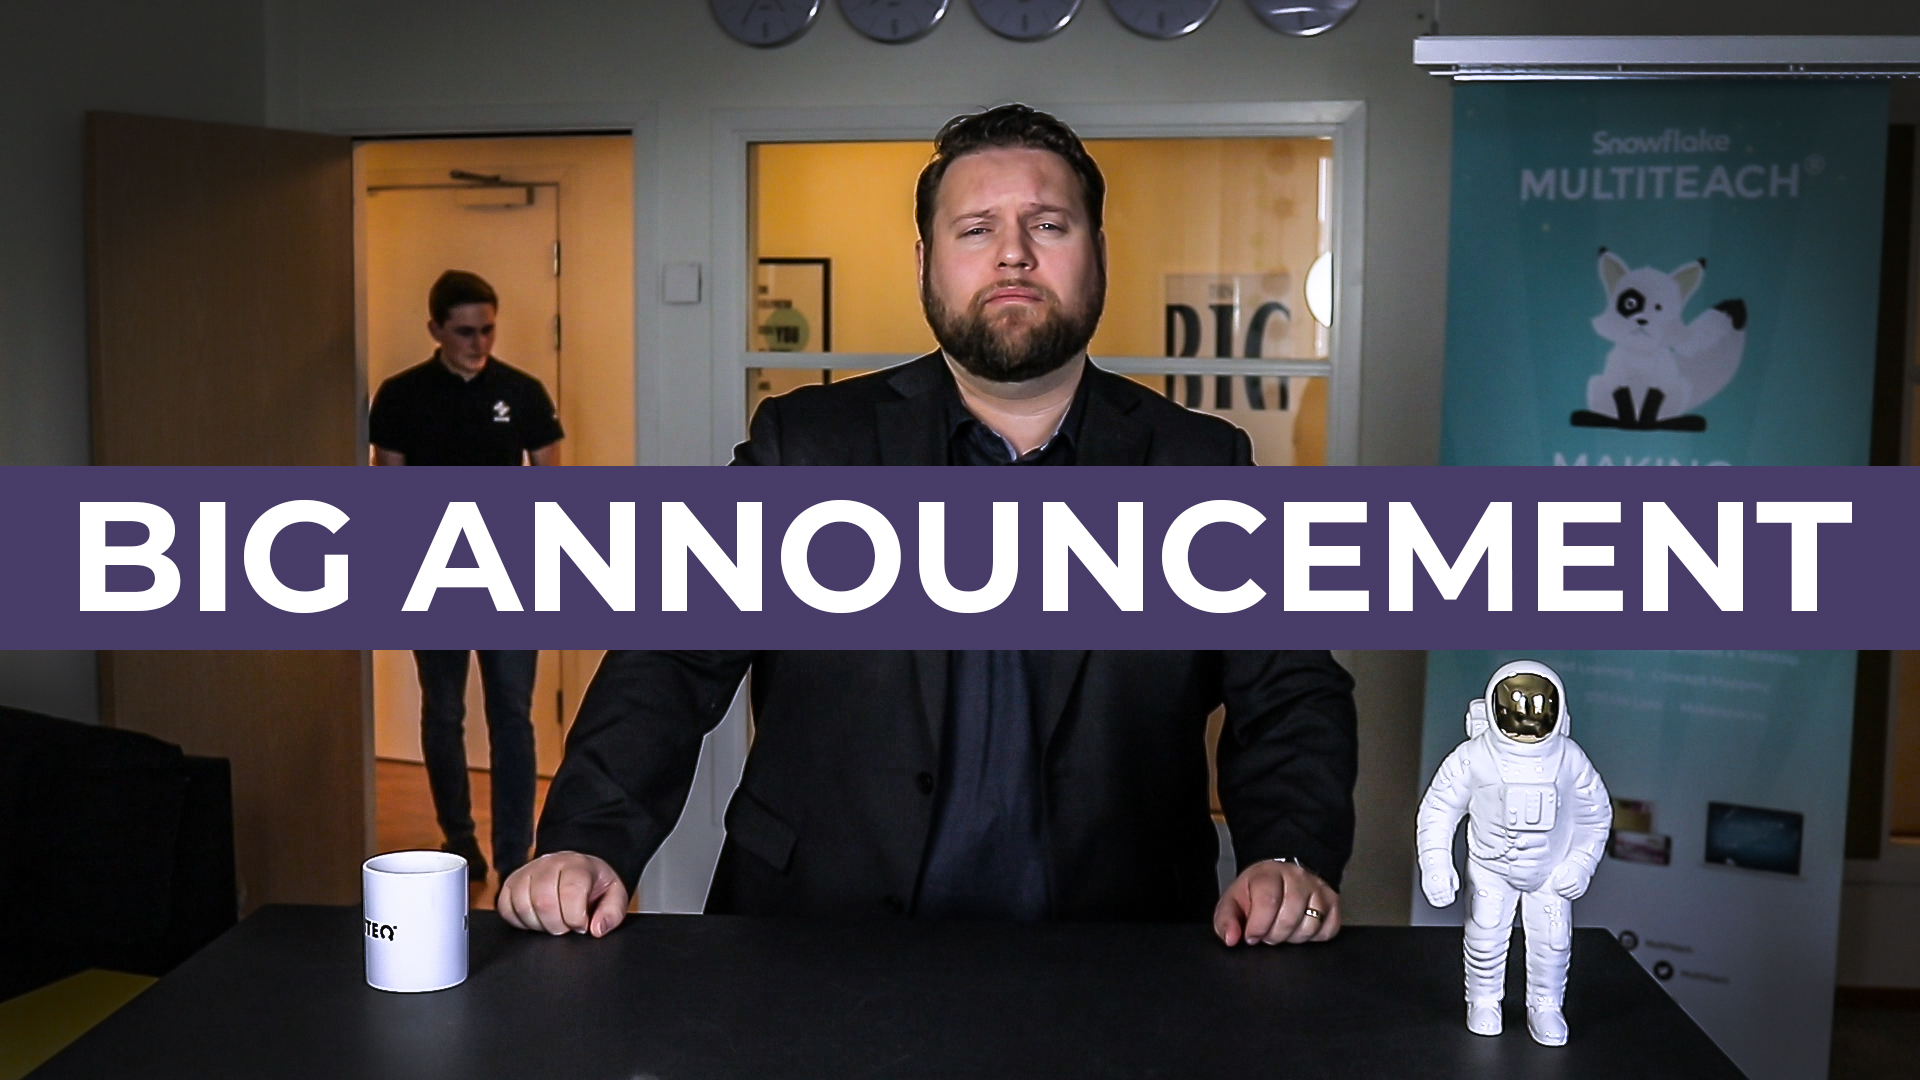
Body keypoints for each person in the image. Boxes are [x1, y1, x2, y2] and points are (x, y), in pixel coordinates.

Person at [499, 105, 1357, 945]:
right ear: (924, 263)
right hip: (814, 945)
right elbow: (669, 656)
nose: (1014, 253)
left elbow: (1289, 690)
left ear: (1098, 254)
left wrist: (1288, 856)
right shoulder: (808, 448)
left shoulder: (1200, 464)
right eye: (976, 229)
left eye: (1048, 225)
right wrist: (586, 840)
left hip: (1117, 957)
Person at [370, 269, 564, 885]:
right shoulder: (401, 395)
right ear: (436, 329)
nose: (478, 343)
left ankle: (513, 855)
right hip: (433, 575)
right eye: (465, 332)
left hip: (509, 575)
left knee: (512, 716)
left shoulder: (522, 392)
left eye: (487, 330)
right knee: (443, 711)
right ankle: (459, 838)